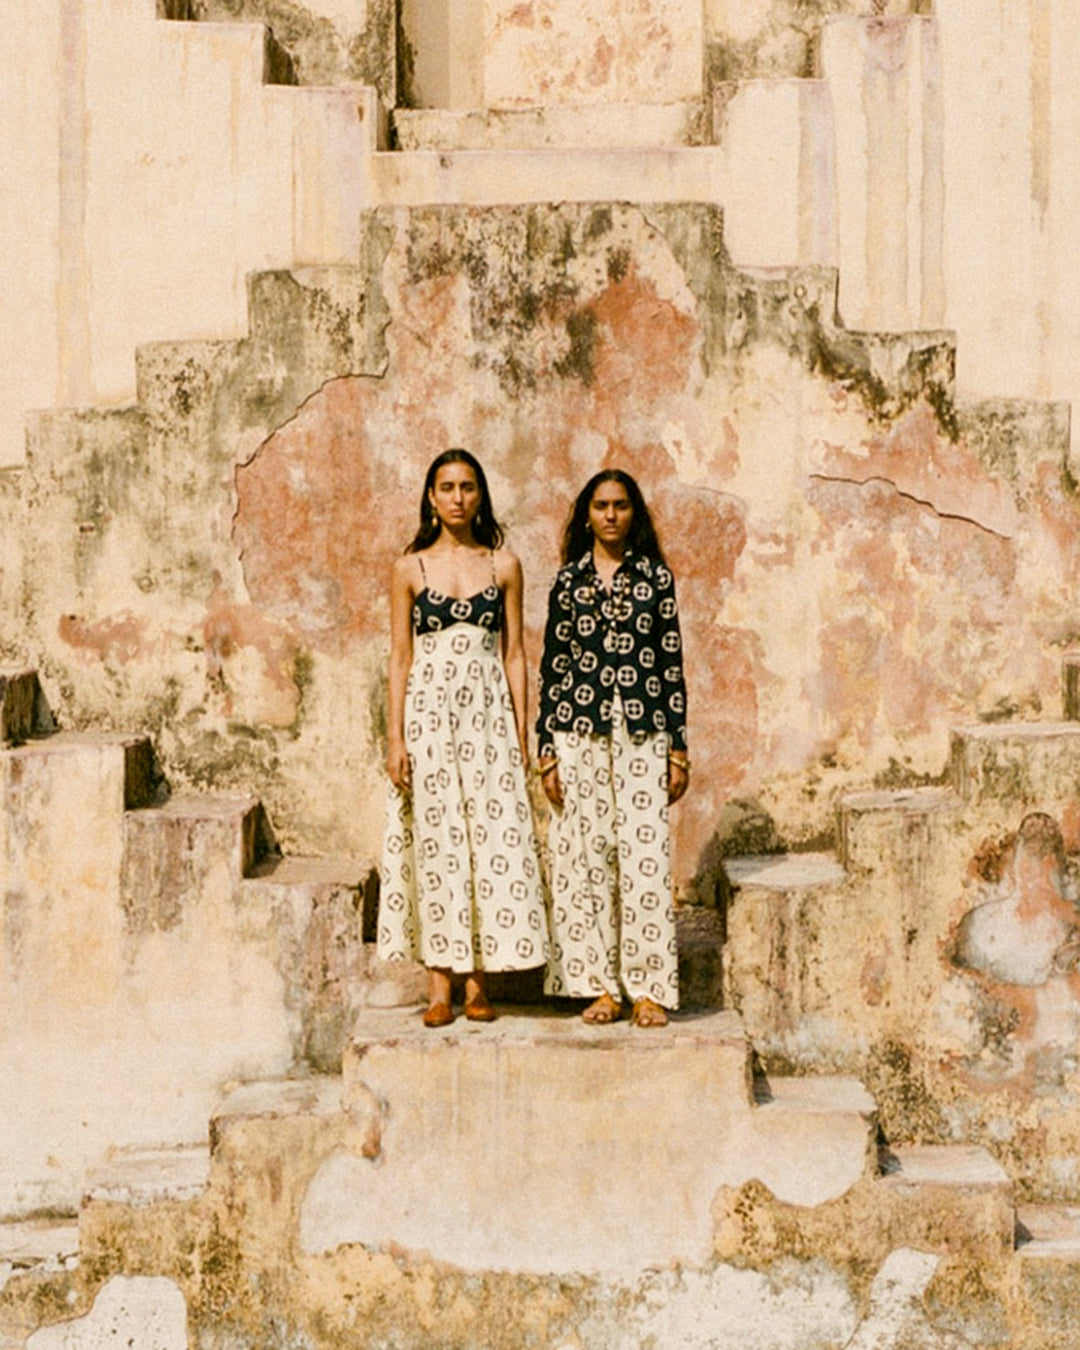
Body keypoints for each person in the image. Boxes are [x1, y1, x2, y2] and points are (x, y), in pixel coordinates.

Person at [378, 449, 547, 1026]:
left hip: (487, 716)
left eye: (467, 487)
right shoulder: (409, 569)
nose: (457, 498)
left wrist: (521, 733)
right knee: (436, 838)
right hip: (429, 715)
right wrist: (394, 737)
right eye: (446, 487)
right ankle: (439, 986)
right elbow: (399, 657)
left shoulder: (503, 565)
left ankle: (481, 982)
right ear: (430, 496)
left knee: (488, 838)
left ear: (481, 495)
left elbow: (516, 654)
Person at [537, 469, 689, 1027]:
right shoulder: (568, 582)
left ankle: (648, 988)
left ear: (634, 514)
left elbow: (671, 665)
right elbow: (552, 668)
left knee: (644, 858)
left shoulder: (655, 580)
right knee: (587, 857)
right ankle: (600, 986)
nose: (609, 515)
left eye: (620, 506)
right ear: (586, 514)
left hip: (643, 729)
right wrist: (547, 750)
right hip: (578, 730)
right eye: (600, 506)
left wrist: (677, 747)